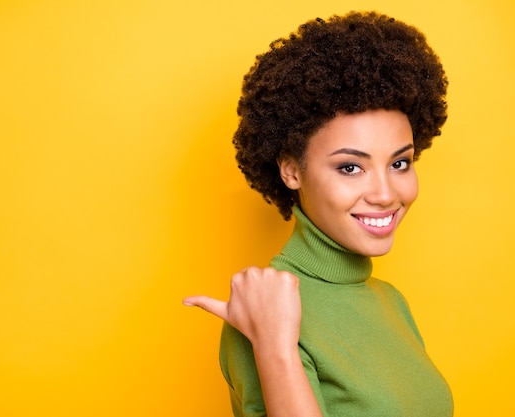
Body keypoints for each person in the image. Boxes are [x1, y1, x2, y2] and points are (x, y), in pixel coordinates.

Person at [183, 11, 452, 417]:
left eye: (400, 163)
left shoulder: (390, 302)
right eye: (350, 167)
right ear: (291, 170)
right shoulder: (264, 310)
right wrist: (275, 345)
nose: (385, 193)